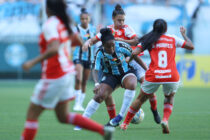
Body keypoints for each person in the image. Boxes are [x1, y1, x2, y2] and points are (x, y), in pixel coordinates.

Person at [20, 0, 114, 140]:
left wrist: (32, 62)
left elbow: (53, 48)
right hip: (66, 74)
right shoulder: (64, 23)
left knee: (32, 115)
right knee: (63, 116)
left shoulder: (50, 24)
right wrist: (75, 48)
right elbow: (76, 40)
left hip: (54, 75)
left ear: (48, 9)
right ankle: (103, 130)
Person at [82, 4, 160, 124]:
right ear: (113, 19)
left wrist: (122, 40)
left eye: (123, 20)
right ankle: (113, 119)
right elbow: (93, 40)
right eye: (119, 20)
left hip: (133, 60)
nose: (122, 22)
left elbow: (136, 40)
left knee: (146, 83)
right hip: (115, 65)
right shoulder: (108, 30)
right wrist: (87, 43)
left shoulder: (127, 29)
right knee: (105, 92)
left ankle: (154, 110)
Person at [120, 19, 194, 134]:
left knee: (140, 99)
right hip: (171, 76)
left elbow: (134, 53)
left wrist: (129, 59)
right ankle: (165, 119)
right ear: (166, 29)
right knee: (169, 97)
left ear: (154, 28)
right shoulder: (172, 38)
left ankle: (125, 124)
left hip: (154, 75)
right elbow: (190, 46)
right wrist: (184, 35)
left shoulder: (149, 40)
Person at [74, 28, 147, 131]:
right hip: (111, 76)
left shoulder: (122, 46)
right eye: (108, 47)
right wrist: (96, 83)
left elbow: (135, 56)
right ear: (103, 45)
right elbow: (95, 69)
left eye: (113, 45)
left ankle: (120, 116)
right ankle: (82, 122)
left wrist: (147, 70)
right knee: (100, 95)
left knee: (132, 84)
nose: (112, 48)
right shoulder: (99, 52)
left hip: (126, 73)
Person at [73, 8, 97, 111]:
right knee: (78, 78)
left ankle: (80, 104)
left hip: (89, 58)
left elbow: (95, 42)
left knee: (84, 81)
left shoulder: (93, 29)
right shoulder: (76, 29)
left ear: (89, 19)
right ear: (80, 19)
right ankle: (76, 104)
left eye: (86, 18)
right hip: (78, 57)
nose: (84, 21)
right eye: (82, 19)